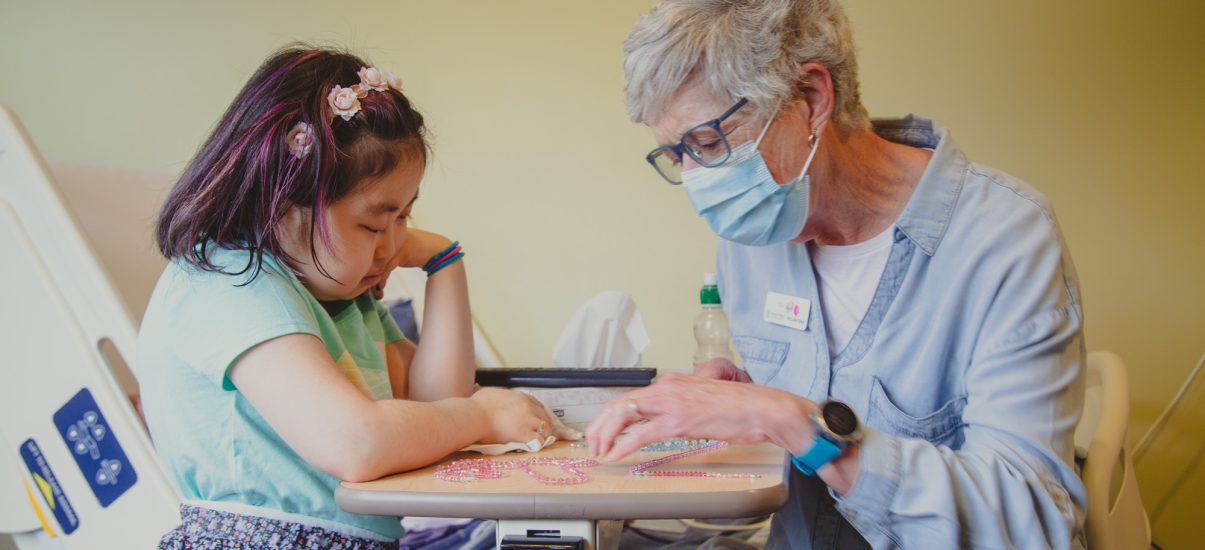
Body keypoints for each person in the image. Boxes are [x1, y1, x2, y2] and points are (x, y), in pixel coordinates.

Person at [586, 1, 1087, 548]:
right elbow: (814, 396)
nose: (695, 179)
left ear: (811, 100)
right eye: (675, 154)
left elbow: (1034, 519)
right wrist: (744, 399)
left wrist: (790, 420)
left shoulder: (1003, 240)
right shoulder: (751, 241)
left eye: (707, 144)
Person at [139, 46, 551, 549]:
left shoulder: (342, 296)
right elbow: (356, 442)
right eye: (375, 223)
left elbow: (435, 402)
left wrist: (444, 261)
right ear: (283, 199)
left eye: (404, 218)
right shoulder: (229, 282)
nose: (394, 245)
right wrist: (482, 416)